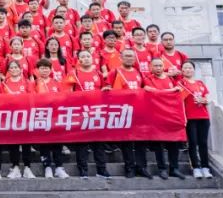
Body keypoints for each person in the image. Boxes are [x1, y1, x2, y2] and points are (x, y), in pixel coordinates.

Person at [66, 50, 110, 178]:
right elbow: (68, 92)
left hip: (97, 112)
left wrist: (105, 90)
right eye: (83, 57)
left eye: (88, 56)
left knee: (99, 143)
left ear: (92, 58)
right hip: (81, 112)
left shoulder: (98, 73)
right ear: (78, 60)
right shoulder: (74, 73)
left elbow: (106, 87)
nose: (86, 58)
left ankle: (101, 170)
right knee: (82, 142)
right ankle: (83, 169)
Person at [110, 48, 149, 178]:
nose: (129, 58)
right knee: (127, 141)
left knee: (141, 140)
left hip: (139, 110)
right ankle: (129, 167)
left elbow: (144, 88)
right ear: (121, 58)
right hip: (124, 110)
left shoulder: (138, 72)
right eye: (126, 56)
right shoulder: (115, 72)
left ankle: (142, 166)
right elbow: (109, 89)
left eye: (131, 56)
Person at [144, 58, 186, 179]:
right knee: (159, 144)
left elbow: (179, 91)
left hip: (171, 115)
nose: (158, 68)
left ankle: (174, 168)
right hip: (156, 116)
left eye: (160, 66)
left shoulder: (171, 79)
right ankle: (162, 169)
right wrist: (171, 90)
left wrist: (170, 90)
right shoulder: (148, 79)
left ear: (163, 67)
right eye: (155, 66)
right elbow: (153, 93)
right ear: (150, 67)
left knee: (174, 142)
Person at [32, 59, 68, 178]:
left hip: (55, 116)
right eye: (42, 68)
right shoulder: (34, 83)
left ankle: (59, 167)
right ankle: (47, 166)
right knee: (44, 142)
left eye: (47, 68)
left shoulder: (56, 82)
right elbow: (31, 98)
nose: (44, 70)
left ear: (50, 69)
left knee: (57, 142)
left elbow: (63, 97)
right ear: (38, 70)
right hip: (41, 116)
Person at [0, 60, 36, 178]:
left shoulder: (27, 82)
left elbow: (32, 98)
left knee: (26, 142)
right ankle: (15, 166)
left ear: (20, 69)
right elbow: (1, 100)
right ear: (8, 71)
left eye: (16, 67)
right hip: (11, 116)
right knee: (13, 142)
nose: (14, 69)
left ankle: (27, 167)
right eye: (11, 68)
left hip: (25, 116)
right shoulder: (4, 83)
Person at [179, 61, 213, 179]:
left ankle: (205, 167)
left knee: (203, 143)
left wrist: (204, 100)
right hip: (190, 117)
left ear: (193, 70)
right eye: (185, 68)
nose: (188, 70)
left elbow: (207, 98)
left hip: (203, 116)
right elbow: (178, 98)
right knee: (193, 142)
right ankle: (196, 167)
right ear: (182, 70)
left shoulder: (200, 83)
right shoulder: (181, 83)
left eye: (190, 68)